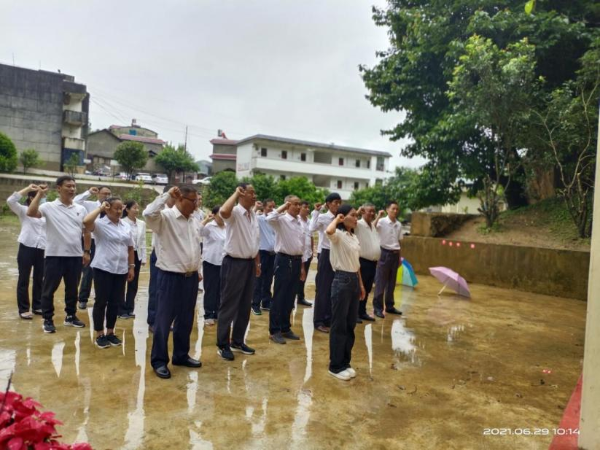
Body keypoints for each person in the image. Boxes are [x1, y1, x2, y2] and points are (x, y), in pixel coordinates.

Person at [143, 185, 203, 379]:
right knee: (163, 320)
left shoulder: (193, 220)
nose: (195, 204)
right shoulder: (166, 218)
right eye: (192, 201)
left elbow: (195, 247)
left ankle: (181, 355)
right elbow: (148, 213)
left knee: (186, 320)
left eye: (196, 201)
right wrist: (167, 195)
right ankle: (159, 361)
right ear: (180, 199)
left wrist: (198, 269)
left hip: (190, 276)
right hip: (169, 277)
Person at [27, 177, 87, 333]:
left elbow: (86, 231)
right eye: (68, 186)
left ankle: (71, 316)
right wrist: (39, 195)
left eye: (74, 186)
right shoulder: (48, 206)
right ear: (59, 188)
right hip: (54, 255)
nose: (72, 189)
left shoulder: (80, 208)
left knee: (73, 289)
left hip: (75, 256)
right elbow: (31, 212)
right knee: (49, 289)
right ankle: (47, 319)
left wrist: (86, 251)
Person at [83, 198, 135, 348]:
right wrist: (100, 208)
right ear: (107, 208)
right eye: (115, 208)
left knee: (115, 302)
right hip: (103, 268)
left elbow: (130, 247)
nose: (119, 211)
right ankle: (99, 334)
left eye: (121, 208)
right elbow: (86, 222)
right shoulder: (100, 224)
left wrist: (131, 267)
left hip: (120, 270)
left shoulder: (125, 225)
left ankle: (110, 332)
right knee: (101, 301)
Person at [216, 183, 260, 361]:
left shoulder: (253, 215)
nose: (254, 196)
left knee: (244, 305)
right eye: (251, 193)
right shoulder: (234, 213)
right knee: (229, 305)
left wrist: (257, 263)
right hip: (234, 263)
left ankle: (237, 340)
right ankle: (222, 344)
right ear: (242, 194)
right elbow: (223, 212)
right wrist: (234, 194)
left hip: (249, 264)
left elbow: (254, 241)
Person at [326, 204, 365, 381]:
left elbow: (357, 265)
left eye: (357, 216)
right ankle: (335, 365)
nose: (356, 218)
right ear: (343, 217)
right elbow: (329, 230)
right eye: (353, 215)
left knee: (350, 324)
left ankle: (345, 362)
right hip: (341, 280)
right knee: (339, 324)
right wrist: (337, 218)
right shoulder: (339, 235)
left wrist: (361, 286)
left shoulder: (353, 237)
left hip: (354, 281)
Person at [265, 195, 306, 344]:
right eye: (295, 204)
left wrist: (302, 267)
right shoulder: (281, 220)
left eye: (299, 204)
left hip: (296, 261)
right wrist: (283, 206)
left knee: (290, 297)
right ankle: (274, 330)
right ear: (288, 205)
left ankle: (285, 327)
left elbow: (301, 246)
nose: (298, 206)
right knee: (280, 296)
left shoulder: (299, 222)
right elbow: (269, 218)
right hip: (283, 260)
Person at [7, 185, 46, 319]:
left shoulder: (45, 212)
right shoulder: (23, 210)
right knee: (24, 279)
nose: (42, 199)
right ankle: (23, 308)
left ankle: (37, 305)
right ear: (30, 198)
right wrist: (28, 188)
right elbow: (10, 201)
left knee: (39, 279)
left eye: (43, 197)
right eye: (39, 197)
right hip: (26, 247)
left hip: (42, 249)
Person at [74, 186, 112, 310]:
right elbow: (76, 201)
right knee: (88, 270)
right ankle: (82, 299)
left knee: (102, 270)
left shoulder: (110, 208)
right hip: (89, 240)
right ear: (98, 194)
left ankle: (100, 298)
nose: (106, 196)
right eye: (104, 193)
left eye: (109, 194)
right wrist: (88, 192)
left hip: (104, 242)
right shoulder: (89, 205)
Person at [309, 193, 342, 333]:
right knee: (323, 288)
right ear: (328, 203)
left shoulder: (341, 217)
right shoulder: (323, 217)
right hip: (326, 253)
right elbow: (311, 228)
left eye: (339, 202)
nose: (337, 205)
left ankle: (329, 318)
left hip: (337, 254)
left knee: (333, 289)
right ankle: (319, 321)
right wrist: (316, 212)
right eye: (335, 202)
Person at [147, 185, 176, 333]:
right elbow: (148, 212)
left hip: (173, 258)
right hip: (158, 255)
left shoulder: (178, 213)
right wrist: (165, 196)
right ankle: (152, 320)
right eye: (173, 196)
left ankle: (164, 320)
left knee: (168, 292)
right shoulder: (161, 213)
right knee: (155, 290)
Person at [373, 201, 404, 318]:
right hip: (384, 253)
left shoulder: (399, 224)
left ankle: (389, 306)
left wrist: (400, 257)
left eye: (397, 209)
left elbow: (399, 241)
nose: (395, 211)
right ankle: (377, 308)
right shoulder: (381, 221)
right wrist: (378, 216)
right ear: (387, 209)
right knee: (380, 281)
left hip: (395, 254)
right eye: (393, 209)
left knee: (392, 282)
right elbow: (371, 227)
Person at [199, 205, 226, 326]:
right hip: (211, 261)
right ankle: (208, 314)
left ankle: (218, 313)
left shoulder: (227, 227)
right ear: (214, 214)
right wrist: (206, 219)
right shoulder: (209, 226)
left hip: (224, 262)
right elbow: (198, 231)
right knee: (210, 289)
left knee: (222, 289)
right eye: (219, 213)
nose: (222, 216)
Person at [354, 204, 382, 322]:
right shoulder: (358, 224)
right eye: (369, 211)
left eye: (373, 212)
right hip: (362, 261)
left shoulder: (372, 226)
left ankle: (362, 311)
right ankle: (354, 313)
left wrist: (378, 217)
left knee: (367, 288)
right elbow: (347, 219)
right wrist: (357, 211)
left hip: (372, 263)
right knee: (358, 288)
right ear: (363, 212)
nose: (372, 213)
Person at [120, 200, 147, 319]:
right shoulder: (121, 222)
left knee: (133, 282)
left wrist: (144, 257)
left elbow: (143, 241)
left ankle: (129, 308)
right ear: (127, 209)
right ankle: (120, 309)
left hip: (137, 255)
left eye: (138, 208)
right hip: (124, 254)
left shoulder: (141, 223)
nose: (136, 210)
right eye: (134, 208)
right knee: (121, 281)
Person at [251, 198, 276, 315]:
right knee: (258, 279)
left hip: (273, 254)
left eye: (273, 207)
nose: (271, 209)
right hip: (262, 253)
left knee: (269, 279)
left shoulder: (275, 220)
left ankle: (266, 302)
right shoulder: (259, 219)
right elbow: (251, 217)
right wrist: (256, 207)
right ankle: (255, 304)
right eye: (269, 207)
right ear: (264, 207)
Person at [296, 200, 313, 307]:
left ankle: (300, 297)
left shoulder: (309, 221)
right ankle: (291, 298)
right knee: (295, 277)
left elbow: (311, 237)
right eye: (305, 207)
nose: (307, 209)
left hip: (307, 253)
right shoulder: (297, 220)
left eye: (308, 207)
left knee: (303, 277)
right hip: (298, 254)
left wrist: (312, 252)